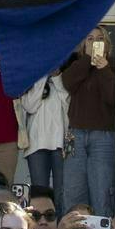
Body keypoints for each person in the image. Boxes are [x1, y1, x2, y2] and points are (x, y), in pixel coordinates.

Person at [62, 30, 115, 220]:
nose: (95, 42)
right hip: (75, 134)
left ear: (108, 45)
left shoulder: (114, 66)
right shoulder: (77, 64)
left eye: (100, 39)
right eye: (90, 38)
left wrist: (104, 69)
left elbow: (112, 98)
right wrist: (88, 59)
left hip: (103, 136)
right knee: (73, 189)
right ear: (83, 44)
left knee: (101, 191)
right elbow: (68, 83)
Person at [19, 71, 71, 200]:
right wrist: (42, 76)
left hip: (60, 143)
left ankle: (61, 219)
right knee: (40, 192)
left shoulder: (63, 80)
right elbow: (29, 106)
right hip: (36, 144)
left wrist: (57, 77)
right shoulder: (32, 79)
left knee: (62, 192)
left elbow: (69, 106)